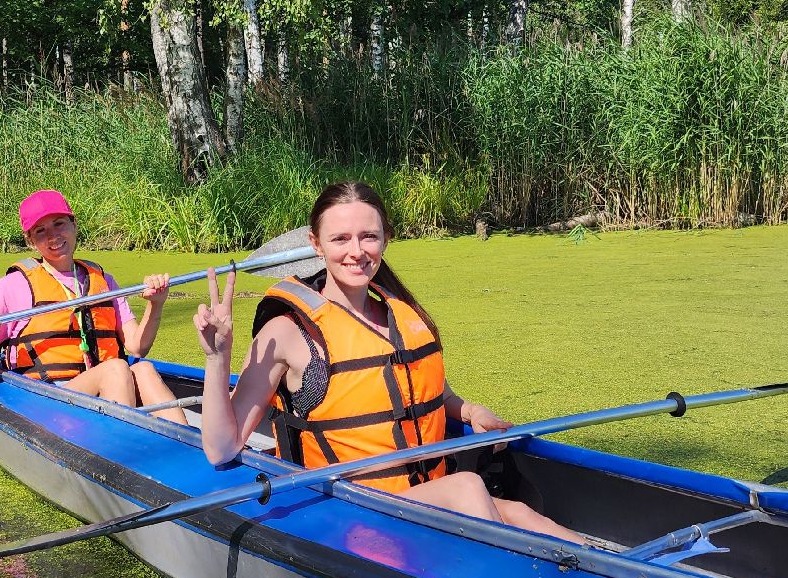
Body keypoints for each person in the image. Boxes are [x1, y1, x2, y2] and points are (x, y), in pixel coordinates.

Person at [192, 180, 588, 545]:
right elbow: (221, 449)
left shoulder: (400, 316)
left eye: (368, 236)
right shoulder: (286, 332)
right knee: (468, 487)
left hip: (426, 496)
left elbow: (429, 392)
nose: (356, 251)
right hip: (357, 510)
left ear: (386, 239)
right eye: (340, 238)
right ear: (316, 244)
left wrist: (468, 410)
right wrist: (217, 357)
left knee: (522, 513)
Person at [0, 189, 183, 422]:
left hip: (105, 385)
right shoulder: (14, 285)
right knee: (116, 368)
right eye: (40, 231)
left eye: (59, 223)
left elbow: (137, 347)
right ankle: (118, 441)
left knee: (143, 369)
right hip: (47, 396)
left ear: (74, 224)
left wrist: (156, 304)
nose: (53, 235)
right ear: (30, 240)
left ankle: (186, 441)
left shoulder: (103, 281)